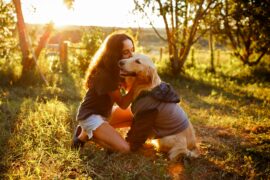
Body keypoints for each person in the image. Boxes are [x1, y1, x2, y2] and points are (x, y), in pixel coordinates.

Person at [72, 32, 145, 153]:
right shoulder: (106, 75)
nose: (132, 55)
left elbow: (128, 93)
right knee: (125, 149)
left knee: (140, 114)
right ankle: (85, 135)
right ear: (115, 54)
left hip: (106, 113)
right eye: (126, 52)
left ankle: (92, 132)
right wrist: (137, 83)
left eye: (132, 50)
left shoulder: (120, 69)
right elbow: (123, 103)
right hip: (91, 116)